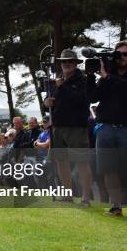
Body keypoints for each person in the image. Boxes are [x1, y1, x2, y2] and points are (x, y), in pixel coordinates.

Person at [87, 40, 127, 221]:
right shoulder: (106, 76)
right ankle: (116, 206)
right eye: (118, 54)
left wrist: (107, 77)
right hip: (105, 128)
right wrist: (90, 76)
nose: (121, 57)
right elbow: (92, 97)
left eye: (125, 54)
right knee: (108, 169)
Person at [44, 49, 94, 205]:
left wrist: (62, 87)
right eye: (64, 61)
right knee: (61, 161)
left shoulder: (83, 80)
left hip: (76, 127)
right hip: (58, 126)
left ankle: (86, 198)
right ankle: (68, 195)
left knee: (82, 161)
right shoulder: (57, 81)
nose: (67, 64)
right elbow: (50, 102)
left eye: (70, 61)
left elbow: (82, 100)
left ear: (75, 63)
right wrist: (47, 102)